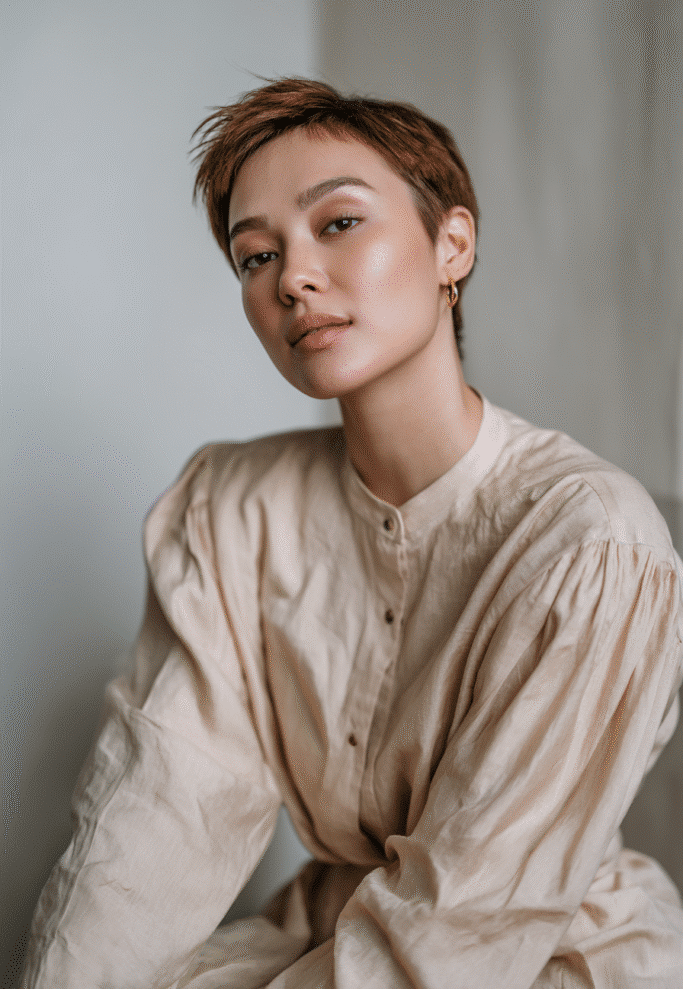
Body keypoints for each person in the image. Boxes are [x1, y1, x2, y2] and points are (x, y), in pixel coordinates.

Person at [20, 78, 683, 989]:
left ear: (452, 244)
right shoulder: (230, 508)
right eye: (255, 257)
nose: (291, 277)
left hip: (541, 957)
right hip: (330, 935)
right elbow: (156, 816)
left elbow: (468, 921)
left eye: (337, 224)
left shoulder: (593, 544)